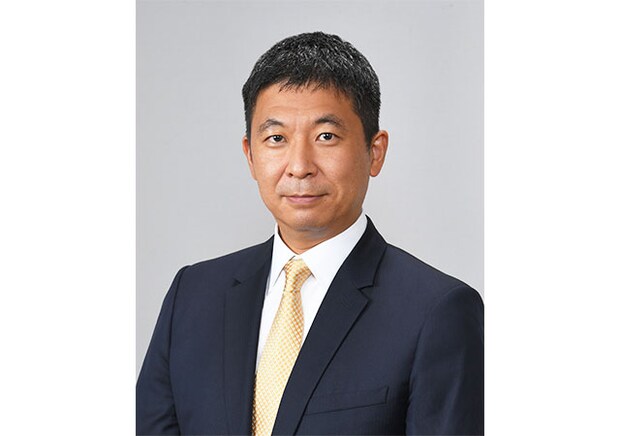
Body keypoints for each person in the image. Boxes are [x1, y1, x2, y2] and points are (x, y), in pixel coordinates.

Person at [137, 31, 483, 435]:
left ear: (375, 152)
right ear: (250, 155)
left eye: (326, 137)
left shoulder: (437, 311)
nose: (299, 166)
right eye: (276, 139)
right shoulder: (192, 296)